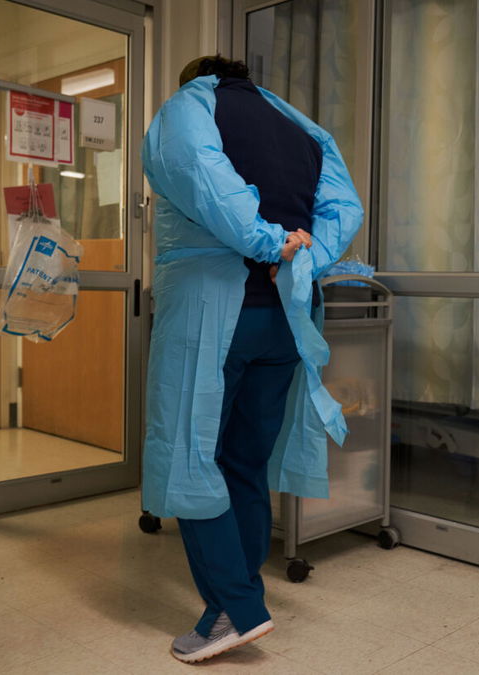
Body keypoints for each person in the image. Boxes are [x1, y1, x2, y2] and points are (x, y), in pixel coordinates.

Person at [140, 55, 363, 663]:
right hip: (286, 319)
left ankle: (234, 611)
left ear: (196, 77)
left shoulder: (189, 108)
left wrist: (268, 240)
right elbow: (344, 207)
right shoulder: (303, 128)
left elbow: (204, 177)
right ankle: (239, 597)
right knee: (244, 461)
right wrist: (301, 254)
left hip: (217, 317)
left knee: (190, 456)